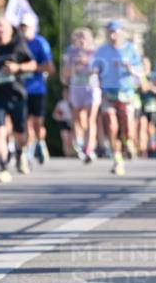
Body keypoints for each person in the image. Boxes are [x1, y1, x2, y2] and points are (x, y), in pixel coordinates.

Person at [0, 17, 36, 181]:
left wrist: (17, 68)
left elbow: (33, 64)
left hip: (17, 94)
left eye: (2, 27)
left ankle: (20, 155)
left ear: (10, 30)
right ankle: (3, 166)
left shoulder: (17, 44)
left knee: (20, 133)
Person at [93, 20, 143, 175]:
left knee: (127, 124)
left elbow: (141, 71)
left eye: (115, 32)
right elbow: (95, 68)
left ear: (121, 32)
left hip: (126, 92)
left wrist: (130, 68)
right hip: (108, 92)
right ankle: (117, 159)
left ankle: (128, 142)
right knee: (112, 126)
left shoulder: (130, 49)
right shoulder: (101, 51)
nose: (113, 35)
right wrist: (93, 74)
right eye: (110, 32)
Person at [18, 13, 55, 165]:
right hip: (21, 89)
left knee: (37, 123)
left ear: (33, 27)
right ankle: (28, 153)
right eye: (21, 27)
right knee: (26, 123)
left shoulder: (40, 43)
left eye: (25, 27)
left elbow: (50, 67)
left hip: (37, 89)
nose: (23, 30)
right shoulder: (17, 43)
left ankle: (41, 142)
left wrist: (31, 68)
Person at [61, 26, 101, 163]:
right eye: (79, 38)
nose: (81, 40)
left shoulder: (95, 52)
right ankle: (82, 142)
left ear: (89, 39)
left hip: (92, 88)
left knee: (91, 118)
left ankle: (89, 149)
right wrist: (72, 65)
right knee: (78, 119)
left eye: (84, 37)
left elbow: (101, 70)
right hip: (76, 88)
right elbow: (65, 74)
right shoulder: (71, 53)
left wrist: (88, 64)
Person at [52, 91, 74, 157]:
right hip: (63, 122)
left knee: (71, 140)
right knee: (65, 139)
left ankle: (71, 153)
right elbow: (55, 114)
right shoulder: (60, 103)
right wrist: (59, 118)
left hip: (72, 122)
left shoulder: (73, 102)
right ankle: (67, 154)